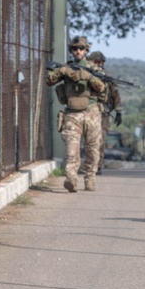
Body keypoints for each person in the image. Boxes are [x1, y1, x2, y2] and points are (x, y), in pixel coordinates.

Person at [46, 36, 107, 192]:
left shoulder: (94, 68)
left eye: (81, 48)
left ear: (86, 50)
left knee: (93, 149)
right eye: (75, 48)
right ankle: (71, 178)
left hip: (92, 112)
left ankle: (90, 177)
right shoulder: (67, 67)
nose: (78, 51)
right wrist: (62, 71)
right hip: (72, 114)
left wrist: (88, 77)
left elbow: (102, 88)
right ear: (71, 51)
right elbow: (49, 81)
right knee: (71, 149)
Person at [88, 50, 122, 174]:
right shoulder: (85, 73)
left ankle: (98, 165)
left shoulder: (107, 77)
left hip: (103, 113)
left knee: (101, 139)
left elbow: (115, 94)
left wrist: (118, 112)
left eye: (101, 62)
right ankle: (89, 165)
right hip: (88, 111)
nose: (99, 64)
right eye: (96, 62)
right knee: (89, 140)